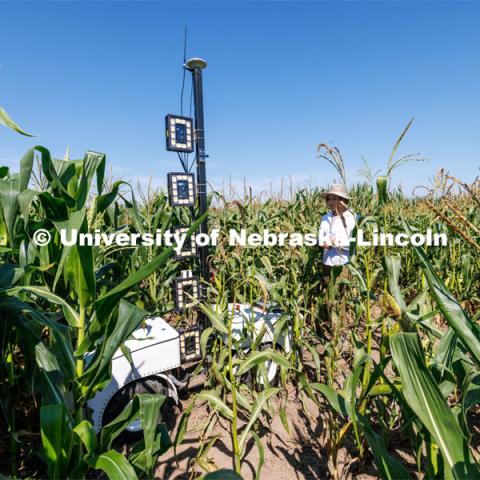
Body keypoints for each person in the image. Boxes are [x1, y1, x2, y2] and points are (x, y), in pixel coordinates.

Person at [318, 184, 356, 326]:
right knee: (329, 296)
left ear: (342, 200)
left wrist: (335, 242)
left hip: (342, 264)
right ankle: (331, 326)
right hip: (327, 262)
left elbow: (353, 242)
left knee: (339, 298)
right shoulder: (325, 218)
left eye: (335, 198)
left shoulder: (352, 218)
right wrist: (323, 242)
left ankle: (340, 331)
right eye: (329, 198)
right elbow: (321, 237)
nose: (331, 201)